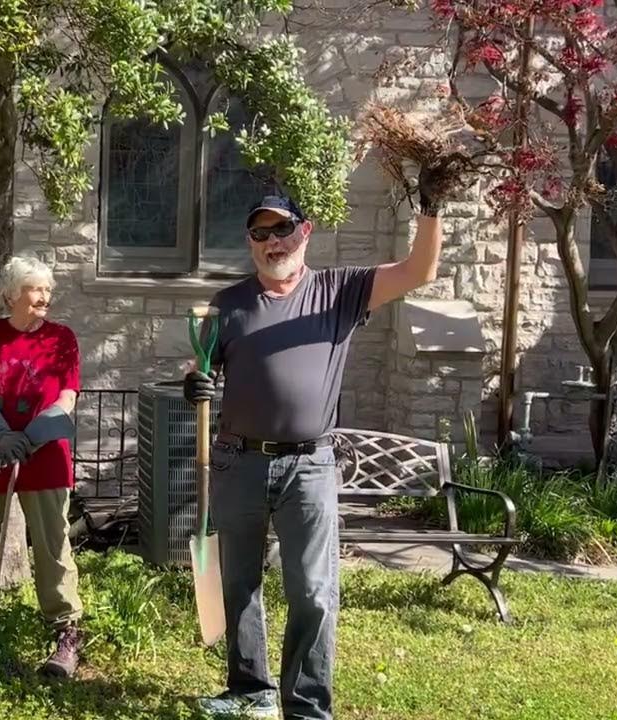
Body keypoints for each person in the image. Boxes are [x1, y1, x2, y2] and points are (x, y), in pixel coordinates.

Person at [184, 177, 450, 720]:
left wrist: (431, 205)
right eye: (259, 232)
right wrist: (194, 382)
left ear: (304, 232)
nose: (271, 241)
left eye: (281, 228)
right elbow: (200, 365)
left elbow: (419, 271)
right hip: (238, 460)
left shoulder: (340, 290)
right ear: (250, 242)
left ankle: (305, 706)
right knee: (239, 584)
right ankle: (249, 692)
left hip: (308, 466)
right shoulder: (227, 304)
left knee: (313, 591)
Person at [0, 254, 84, 678]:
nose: (45, 297)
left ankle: (66, 631)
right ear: (12, 294)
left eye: (47, 289)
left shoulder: (62, 338)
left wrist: (31, 437)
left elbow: (67, 398)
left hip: (45, 457)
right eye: (35, 289)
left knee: (52, 544)